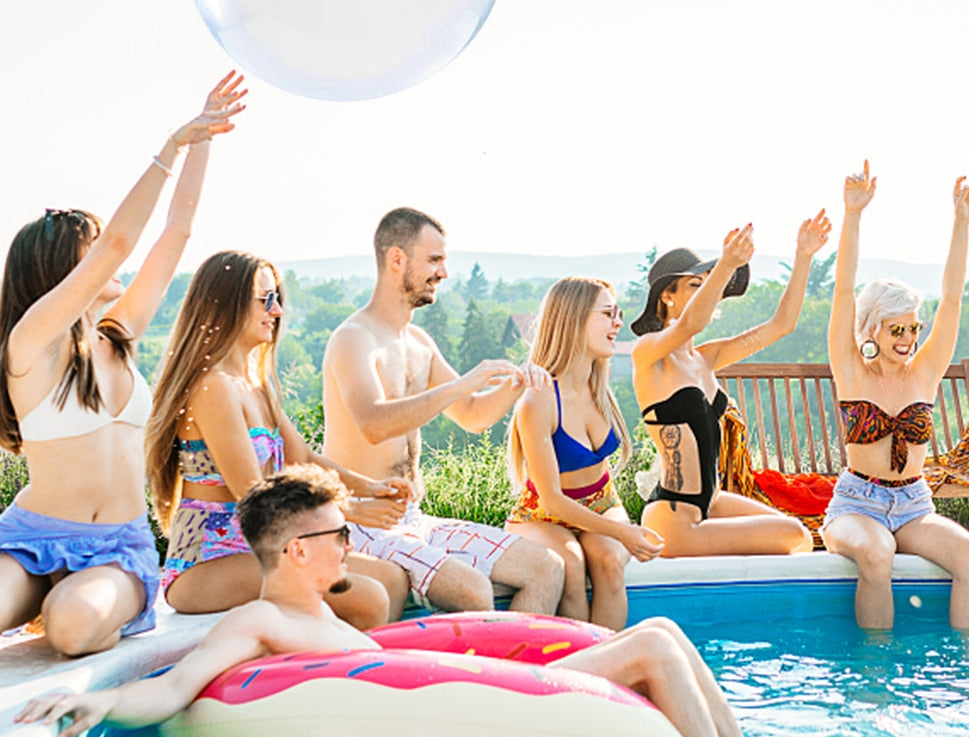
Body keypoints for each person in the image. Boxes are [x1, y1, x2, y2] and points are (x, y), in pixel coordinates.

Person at [16, 464, 743, 737]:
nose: (348, 546)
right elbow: (176, 684)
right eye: (338, 534)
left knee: (664, 633)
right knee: (649, 640)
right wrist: (101, 703)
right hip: (484, 709)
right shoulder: (262, 618)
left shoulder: (325, 614)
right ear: (296, 550)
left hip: (478, 696)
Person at [0, 72, 245, 655]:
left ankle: (63, 601)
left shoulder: (117, 335)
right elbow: (121, 245)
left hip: (116, 546)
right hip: (31, 537)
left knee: (72, 628)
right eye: (97, 242)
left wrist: (203, 135)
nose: (113, 249)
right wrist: (169, 145)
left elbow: (177, 231)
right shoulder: (28, 343)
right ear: (63, 267)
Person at [144, 249, 413, 629]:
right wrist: (349, 510)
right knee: (368, 596)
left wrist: (373, 488)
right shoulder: (212, 387)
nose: (277, 312)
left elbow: (303, 456)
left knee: (393, 579)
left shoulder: (255, 386)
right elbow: (252, 494)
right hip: (205, 563)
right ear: (227, 304)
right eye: (265, 300)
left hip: (261, 550)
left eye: (278, 300)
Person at [322, 207, 564, 616]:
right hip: (364, 522)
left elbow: (471, 415)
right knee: (471, 590)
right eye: (434, 260)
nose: (444, 273)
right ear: (397, 258)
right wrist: (461, 383)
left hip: (416, 519)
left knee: (546, 568)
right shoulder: (354, 339)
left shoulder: (419, 341)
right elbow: (373, 425)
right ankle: (476, 677)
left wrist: (516, 384)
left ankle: (513, 677)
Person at [821, 162, 969, 631]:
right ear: (872, 326)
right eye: (898, 328)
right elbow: (841, 291)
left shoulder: (925, 372)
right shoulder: (851, 369)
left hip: (914, 504)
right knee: (878, 552)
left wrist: (961, 223)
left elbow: (952, 300)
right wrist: (852, 214)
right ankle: (876, 672)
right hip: (857, 504)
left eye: (913, 328)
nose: (910, 338)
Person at [631, 212, 831, 558]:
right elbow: (691, 322)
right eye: (697, 285)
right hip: (674, 518)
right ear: (667, 296)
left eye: (708, 287)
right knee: (789, 535)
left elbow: (782, 324)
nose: (708, 292)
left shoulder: (707, 358)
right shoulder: (649, 355)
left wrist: (803, 256)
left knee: (802, 536)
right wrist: (725, 265)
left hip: (713, 501)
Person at [506, 277, 662, 629]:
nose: (618, 322)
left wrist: (616, 531)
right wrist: (624, 533)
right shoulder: (539, 399)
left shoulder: (598, 385)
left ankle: (610, 667)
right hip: (543, 516)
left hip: (603, 504)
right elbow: (552, 501)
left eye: (617, 313)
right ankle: (580, 667)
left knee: (607, 563)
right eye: (608, 314)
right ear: (574, 319)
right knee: (572, 565)